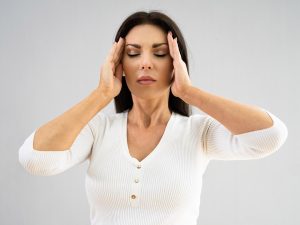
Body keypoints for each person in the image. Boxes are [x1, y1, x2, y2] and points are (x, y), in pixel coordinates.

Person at [19, 10, 288, 225]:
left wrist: (190, 93)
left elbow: (270, 136)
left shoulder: (198, 133)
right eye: (133, 53)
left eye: (159, 53)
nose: (145, 62)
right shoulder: (98, 130)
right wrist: (101, 94)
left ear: (175, 63)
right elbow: (35, 159)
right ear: (119, 65)